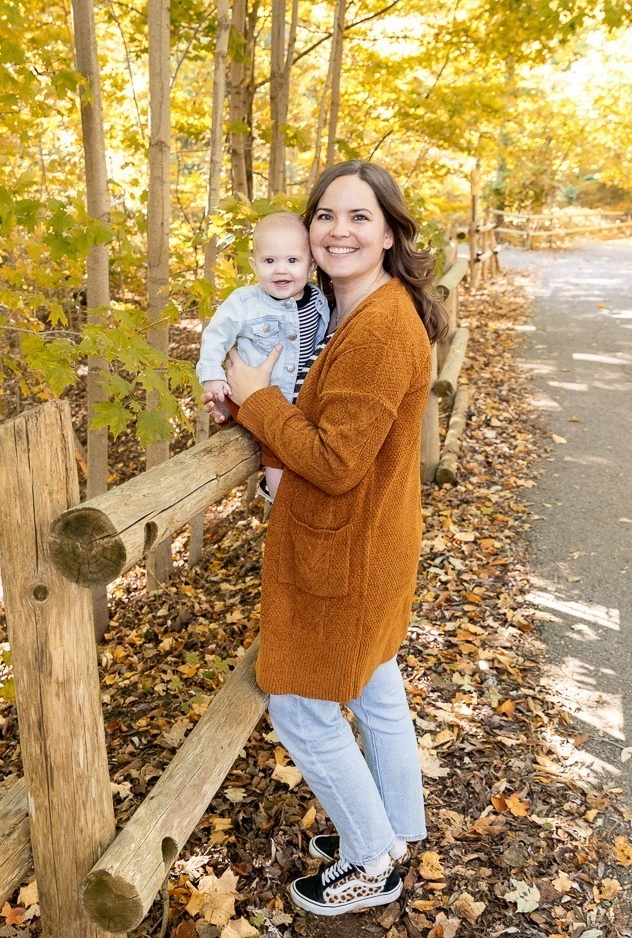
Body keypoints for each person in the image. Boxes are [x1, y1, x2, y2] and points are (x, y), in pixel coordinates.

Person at [201, 160, 448, 916]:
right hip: (372, 539)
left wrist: (258, 399)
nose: (339, 231)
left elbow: (336, 461)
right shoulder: (343, 310)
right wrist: (251, 405)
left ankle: (371, 862)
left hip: (348, 549)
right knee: (375, 686)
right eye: (325, 217)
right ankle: (394, 829)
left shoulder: (379, 329)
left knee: (301, 707)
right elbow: (327, 422)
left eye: (359, 217)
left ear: (389, 233)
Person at [196, 210, 330, 499]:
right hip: (257, 399)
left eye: (292, 261)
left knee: (302, 443)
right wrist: (211, 377)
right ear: (254, 264)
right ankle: (278, 497)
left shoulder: (318, 300)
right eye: (270, 261)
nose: (281, 270)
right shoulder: (244, 303)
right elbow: (215, 337)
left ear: (311, 265)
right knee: (274, 452)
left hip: (298, 403)